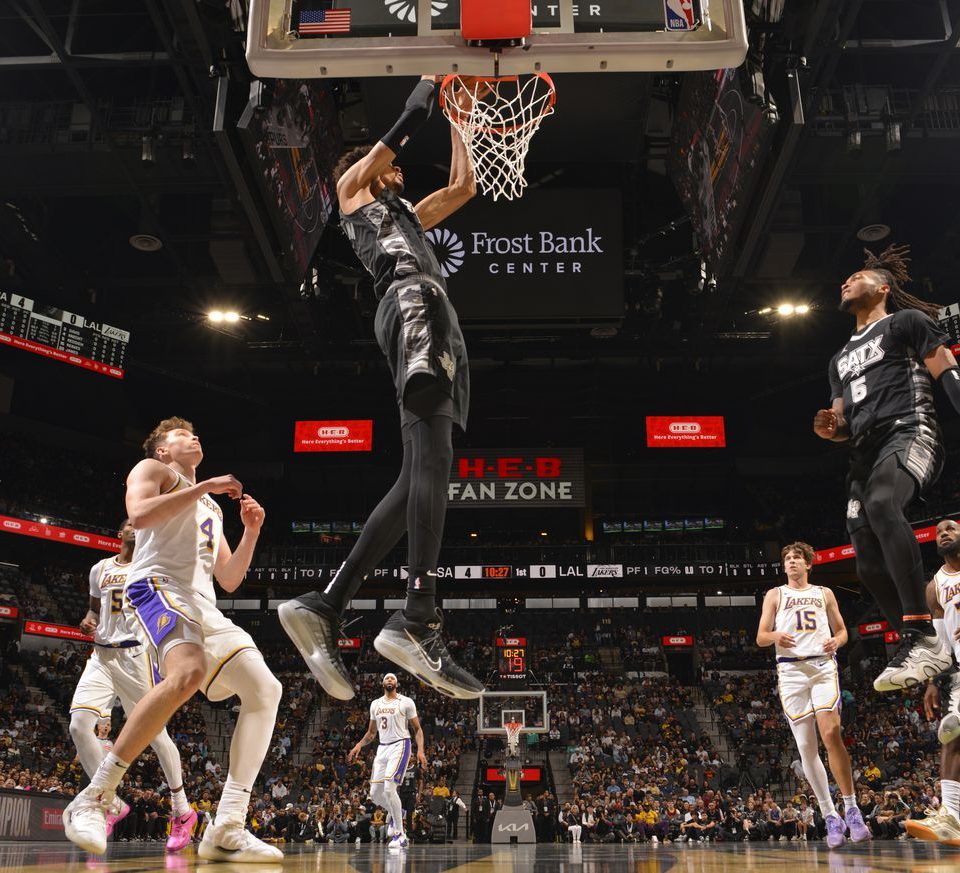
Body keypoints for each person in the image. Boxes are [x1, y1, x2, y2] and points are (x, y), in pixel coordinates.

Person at [278, 75, 485, 702]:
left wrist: (464, 118)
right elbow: (399, 132)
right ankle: (417, 615)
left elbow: (464, 188)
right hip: (413, 304)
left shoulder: (407, 216)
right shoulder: (352, 191)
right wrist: (431, 84)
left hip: (432, 311)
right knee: (434, 462)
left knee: (417, 474)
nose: (398, 172)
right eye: (388, 167)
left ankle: (327, 603)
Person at [62, 417, 283, 861]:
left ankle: (227, 826)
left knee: (265, 690)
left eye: (194, 433)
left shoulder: (213, 507)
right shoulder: (153, 470)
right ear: (162, 450)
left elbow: (229, 577)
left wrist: (252, 531)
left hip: (202, 604)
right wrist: (204, 487)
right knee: (189, 671)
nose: (193, 436)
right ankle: (94, 797)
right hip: (156, 585)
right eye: (181, 435)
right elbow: (140, 515)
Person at [813, 243, 959, 690]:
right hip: (864, 452)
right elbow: (841, 421)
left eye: (856, 277)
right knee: (865, 559)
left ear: (882, 288)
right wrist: (831, 428)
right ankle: (925, 648)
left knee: (881, 504)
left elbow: (947, 371)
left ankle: (919, 628)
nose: (846, 281)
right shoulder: (839, 358)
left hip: (910, 430)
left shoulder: (905, 322)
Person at [69, 519, 196, 852]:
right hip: (101, 656)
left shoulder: (151, 566)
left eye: (140, 526)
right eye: (129, 524)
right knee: (79, 726)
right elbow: (94, 610)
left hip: (135, 657)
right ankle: (108, 801)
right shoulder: (99, 569)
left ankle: (182, 808)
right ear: (119, 533)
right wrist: (88, 621)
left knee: (156, 735)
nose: (135, 528)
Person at [756, 541, 871, 848]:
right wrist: (775, 635)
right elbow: (761, 637)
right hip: (791, 672)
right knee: (807, 747)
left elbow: (842, 631)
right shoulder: (775, 595)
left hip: (822, 667)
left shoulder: (824, 593)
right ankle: (830, 815)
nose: (791, 562)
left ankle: (852, 809)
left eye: (797, 558)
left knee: (831, 733)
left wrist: (838, 641)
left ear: (809, 564)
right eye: (787, 558)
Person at [906, 517, 960, 843]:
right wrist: (931, 682)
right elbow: (939, 642)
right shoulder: (935, 587)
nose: (944, 534)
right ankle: (951, 815)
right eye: (939, 532)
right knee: (952, 734)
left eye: (951, 529)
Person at [347, 671, 427, 851]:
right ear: (382, 683)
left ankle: (400, 834)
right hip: (382, 748)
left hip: (400, 744)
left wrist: (421, 751)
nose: (389, 679)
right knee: (375, 793)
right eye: (386, 678)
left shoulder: (406, 702)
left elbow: (417, 729)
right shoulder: (375, 704)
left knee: (390, 788)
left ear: (396, 684)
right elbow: (371, 733)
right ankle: (396, 811)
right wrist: (358, 745)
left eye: (393, 678)